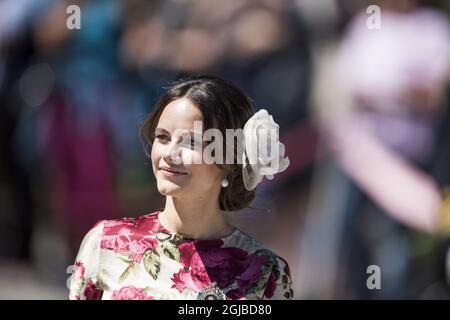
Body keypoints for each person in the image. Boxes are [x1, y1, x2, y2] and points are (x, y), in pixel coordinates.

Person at [68, 75, 293, 300]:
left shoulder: (267, 273)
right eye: (163, 137)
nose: (169, 154)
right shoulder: (105, 243)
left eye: (191, 142)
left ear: (230, 159)